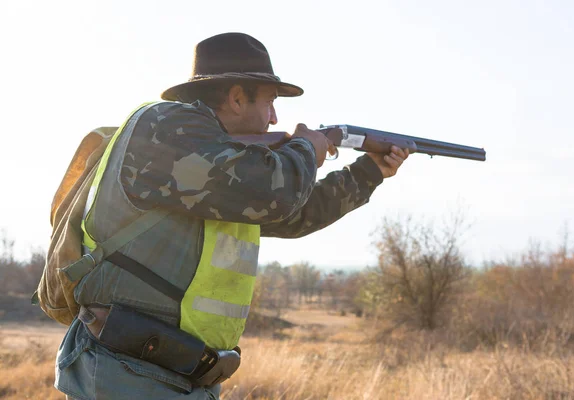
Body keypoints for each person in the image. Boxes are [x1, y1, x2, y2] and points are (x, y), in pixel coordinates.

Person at [54, 32, 410, 400]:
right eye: (271, 102)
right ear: (237, 98)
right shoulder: (168, 126)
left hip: (174, 375)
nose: (274, 117)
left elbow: (296, 213)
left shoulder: (221, 171)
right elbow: (276, 193)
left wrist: (369, 172)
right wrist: (307, 145)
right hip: (128, 374)